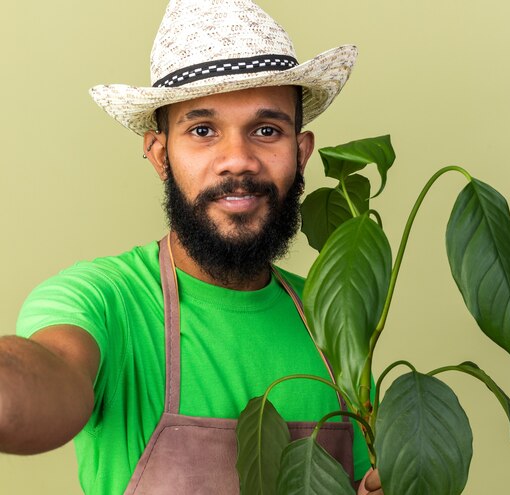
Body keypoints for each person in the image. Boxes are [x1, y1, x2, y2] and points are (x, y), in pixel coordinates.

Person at [0, 0, 384, 493]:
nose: (238, 161)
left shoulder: (337, 321)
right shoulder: (103, 299)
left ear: (301, 152)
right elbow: (49, 377)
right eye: (202, 131)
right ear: (160, 155)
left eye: (267, 131)